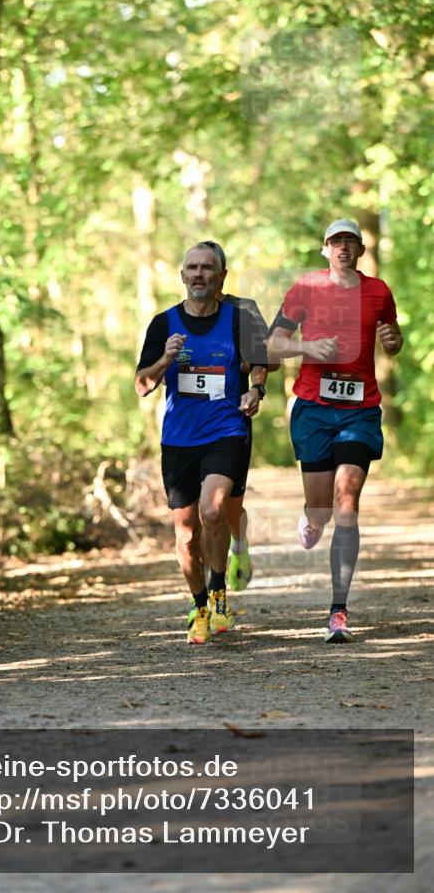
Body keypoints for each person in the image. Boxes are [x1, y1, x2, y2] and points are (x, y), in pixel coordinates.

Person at [267, 219, 403, 643]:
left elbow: (393, 339)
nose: (343, 248)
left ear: (360, 250)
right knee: (321, 509)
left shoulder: (378, 291)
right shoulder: (306, 289)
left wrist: (392, 339)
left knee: (348, 502)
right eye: (335, 242)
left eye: (350, 242)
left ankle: (338, 611)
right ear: (325, 249)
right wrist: (306, 347)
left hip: (360, 409)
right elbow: (271, 345)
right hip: (313, 408)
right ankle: (310, 519)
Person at [135, 240, 271, 645]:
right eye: (192, 267)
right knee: (186, 533)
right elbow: (142, 385)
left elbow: (259, 364)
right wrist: (165, 360)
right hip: (179, 439)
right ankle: (198, 607)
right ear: (182, 275)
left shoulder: (238, 318)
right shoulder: (164, 324)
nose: (199, 274)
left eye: (207, 268)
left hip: (226, 430)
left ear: (221, 277)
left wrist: (255, 392)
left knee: (213, 510)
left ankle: (218, 595)